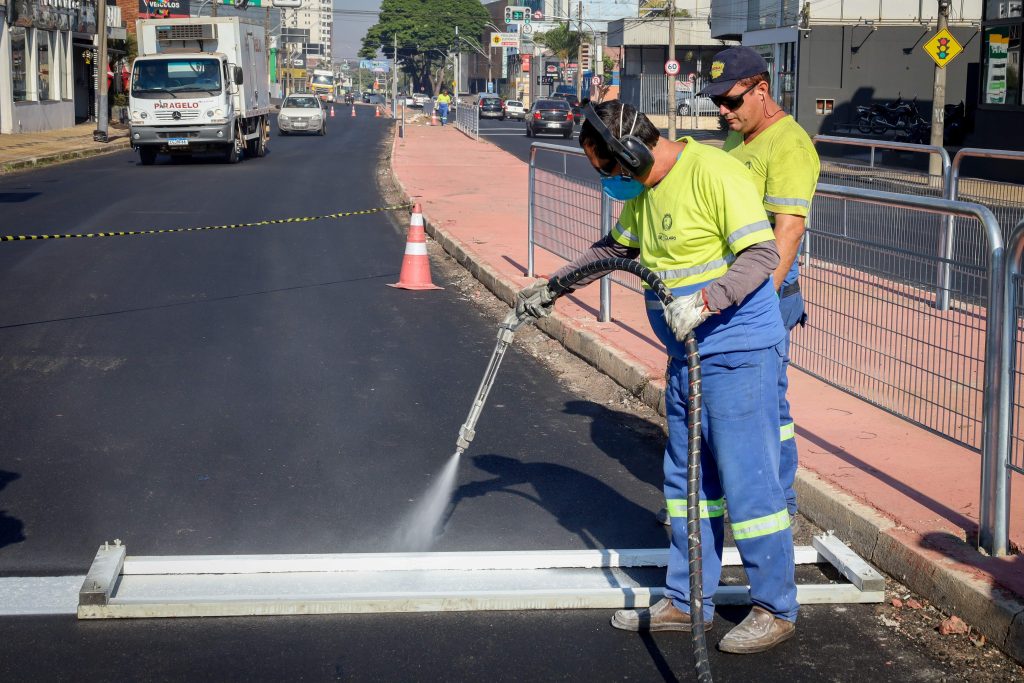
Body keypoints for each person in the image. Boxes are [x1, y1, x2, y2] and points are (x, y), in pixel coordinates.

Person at [515, 100, 798, 654]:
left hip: (736, 349)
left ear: (633, 152)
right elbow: (615, 250)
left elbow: (762, 253)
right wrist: (552, 288)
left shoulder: (716, 173)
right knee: (688, 484)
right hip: (686, 354)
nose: (609, 183)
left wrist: (709, 301)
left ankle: (775, 607)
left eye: (609, 170)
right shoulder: (645, 191)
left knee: (748, 485)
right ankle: (687, 599)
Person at [702, 47, 820, 526]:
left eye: (731, 102)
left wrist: (760, 304)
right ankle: (743, 491)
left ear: (762, 90)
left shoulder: (788, 145)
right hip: (739, 285)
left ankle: (777, 504)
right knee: (739, 395)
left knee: (768, 399)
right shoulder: (740, 139)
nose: (724, 113)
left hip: (764, 289)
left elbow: (787, 232)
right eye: (717, 105)